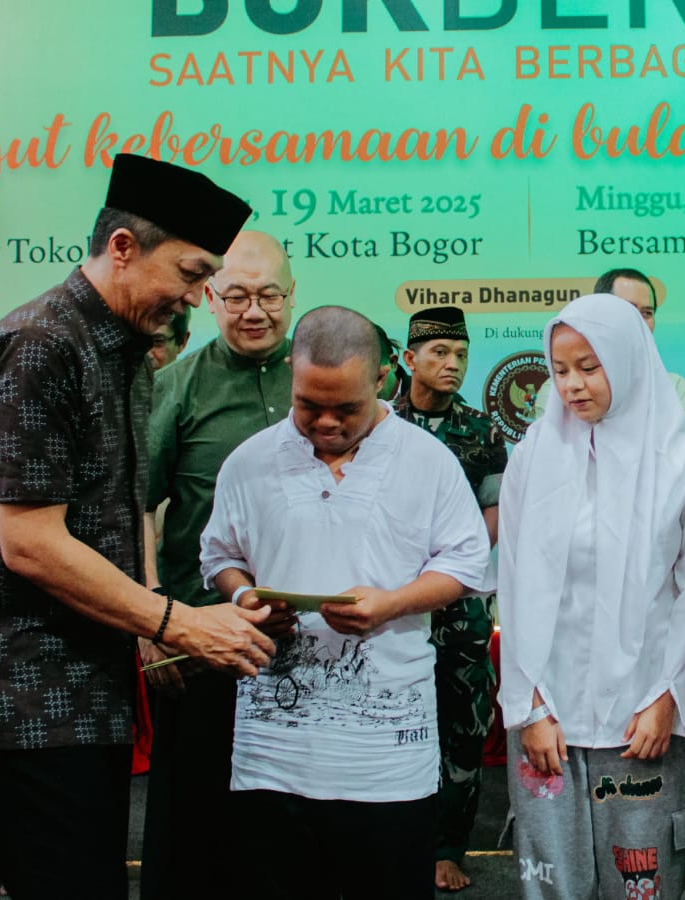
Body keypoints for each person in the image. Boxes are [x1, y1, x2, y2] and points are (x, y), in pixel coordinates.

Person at [0, 153, 276, 899]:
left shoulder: (123, 350)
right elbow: (29, 542)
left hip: (88, 685)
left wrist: (152, 621)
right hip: (29, 692)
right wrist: (176, 621)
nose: (199, 295)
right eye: (191, 273)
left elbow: (115, 513)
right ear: (123, 246)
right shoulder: (45, 344)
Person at [200, 305, 491, 898]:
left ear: (384, 378)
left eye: (347, 409)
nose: (327, 423)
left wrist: (393, 603)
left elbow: (466, 562)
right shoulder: (248, 461)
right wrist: (246, 596)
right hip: (273, 751)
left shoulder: (428, 461)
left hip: (387, 760)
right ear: (291, 373)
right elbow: (218, 557)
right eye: (310, 405)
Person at [499, 293, 685, 900]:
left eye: (589, 366)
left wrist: (667, 699)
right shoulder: (533, 458)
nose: (572, 385)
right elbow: (514, 581)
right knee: (552, 878)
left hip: (642, 717)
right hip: (549, 720)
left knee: (643, 877)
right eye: (561, 369)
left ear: (627, 360)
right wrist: (530, 706)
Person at [139, 230, 296, 900]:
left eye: (268, 296)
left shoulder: (321, 374)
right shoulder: (174, 387)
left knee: (291, 820)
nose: (253, 310)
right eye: (236, 295)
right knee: (193, 810)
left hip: (306, 636)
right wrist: (150, 615)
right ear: (209, 297)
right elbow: (137, 507)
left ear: (292, 298)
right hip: (199, 632)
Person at [391, 306, 509, 892]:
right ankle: (391, 838)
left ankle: (447, 847)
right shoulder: (378, 424)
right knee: (390, 723)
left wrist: (445, 565)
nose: (453, 364)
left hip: (459, 606)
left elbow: (493, 516)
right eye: (439, 353)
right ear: (410, 358)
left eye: (461, 355)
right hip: (390, 609)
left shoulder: (482, 429)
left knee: (462, 727)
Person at [533, 268, 685, 439]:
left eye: (647, 313)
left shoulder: (675, 388)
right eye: (628, 311)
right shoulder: (556, 392)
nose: (639, 323)